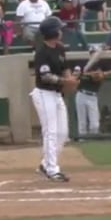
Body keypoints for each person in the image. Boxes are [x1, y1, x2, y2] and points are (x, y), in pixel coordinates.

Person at [32, 17, 78, 182]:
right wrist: (66, 81)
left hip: (56, 95)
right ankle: (52, 169)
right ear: (52, 32)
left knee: (63, 133)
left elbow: (65, 69)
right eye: (58, 29)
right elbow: (46, 77)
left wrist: (71, 80)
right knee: (50, 131)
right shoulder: (42, 52)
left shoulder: (59, 48)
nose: (61, 31)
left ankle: (46, 164)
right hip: (44, 94)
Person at [73, 47, 111, 137]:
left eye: (95, 53)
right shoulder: (83, 63)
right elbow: (75, 74)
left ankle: (93, 141)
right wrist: (90, 74)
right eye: (92, 53)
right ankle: (83, 142)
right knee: (82, 123)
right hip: (82, 94)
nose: (94, 55)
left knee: (95, 125)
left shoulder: (102, 64)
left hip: (93, 96)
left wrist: (103, 74)